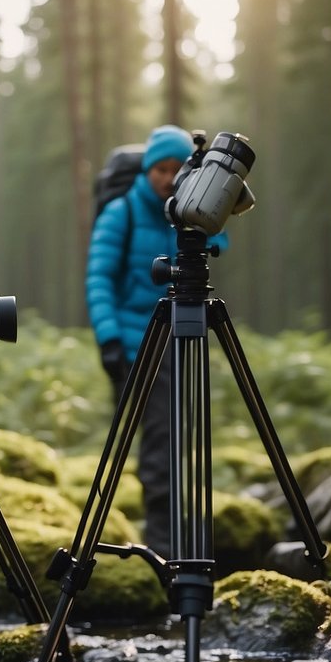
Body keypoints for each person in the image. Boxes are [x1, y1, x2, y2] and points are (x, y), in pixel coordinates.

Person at [84, 125, 229, 558]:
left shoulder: (189, 212)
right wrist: (108, 339)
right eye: (160, 169)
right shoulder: (121, 214)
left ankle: (169, 534)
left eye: (177, 168)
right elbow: (99, 279)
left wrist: (209, 202)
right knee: (159, 444)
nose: (168, 177)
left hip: (179, 342)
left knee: (169, 440)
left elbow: (219, 242)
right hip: (134, 348)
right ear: (147, 170)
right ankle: (164, 546)